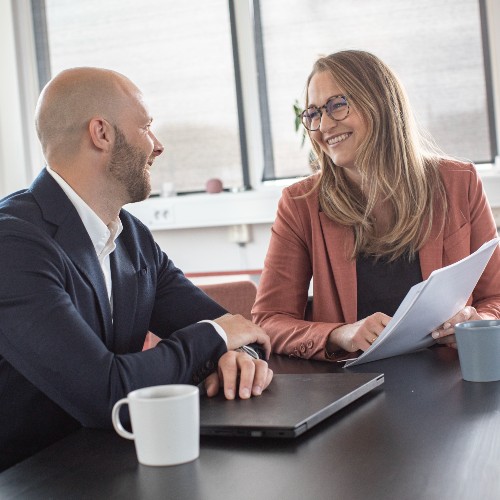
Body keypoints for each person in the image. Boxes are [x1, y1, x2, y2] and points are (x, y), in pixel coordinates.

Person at [0, 67, 273, 471]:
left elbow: (234, 328)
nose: (158, 145)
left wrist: (240, 356)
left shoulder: (131, 237)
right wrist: (216, 338)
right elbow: (106, 396)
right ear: (102, 133)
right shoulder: (14, 244)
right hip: (31, 478)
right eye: (146, 127)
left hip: (114, 464)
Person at [252, 50, 500, 361]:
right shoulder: (300, 204)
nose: (324, 125)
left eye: (337, 105)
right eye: (314, 113)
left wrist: (477, 322)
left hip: (453, 376)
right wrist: (340, 334)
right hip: (356, 387)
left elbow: (495, 296)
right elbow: (268, 322)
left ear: (380, 104)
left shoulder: (458, 182)